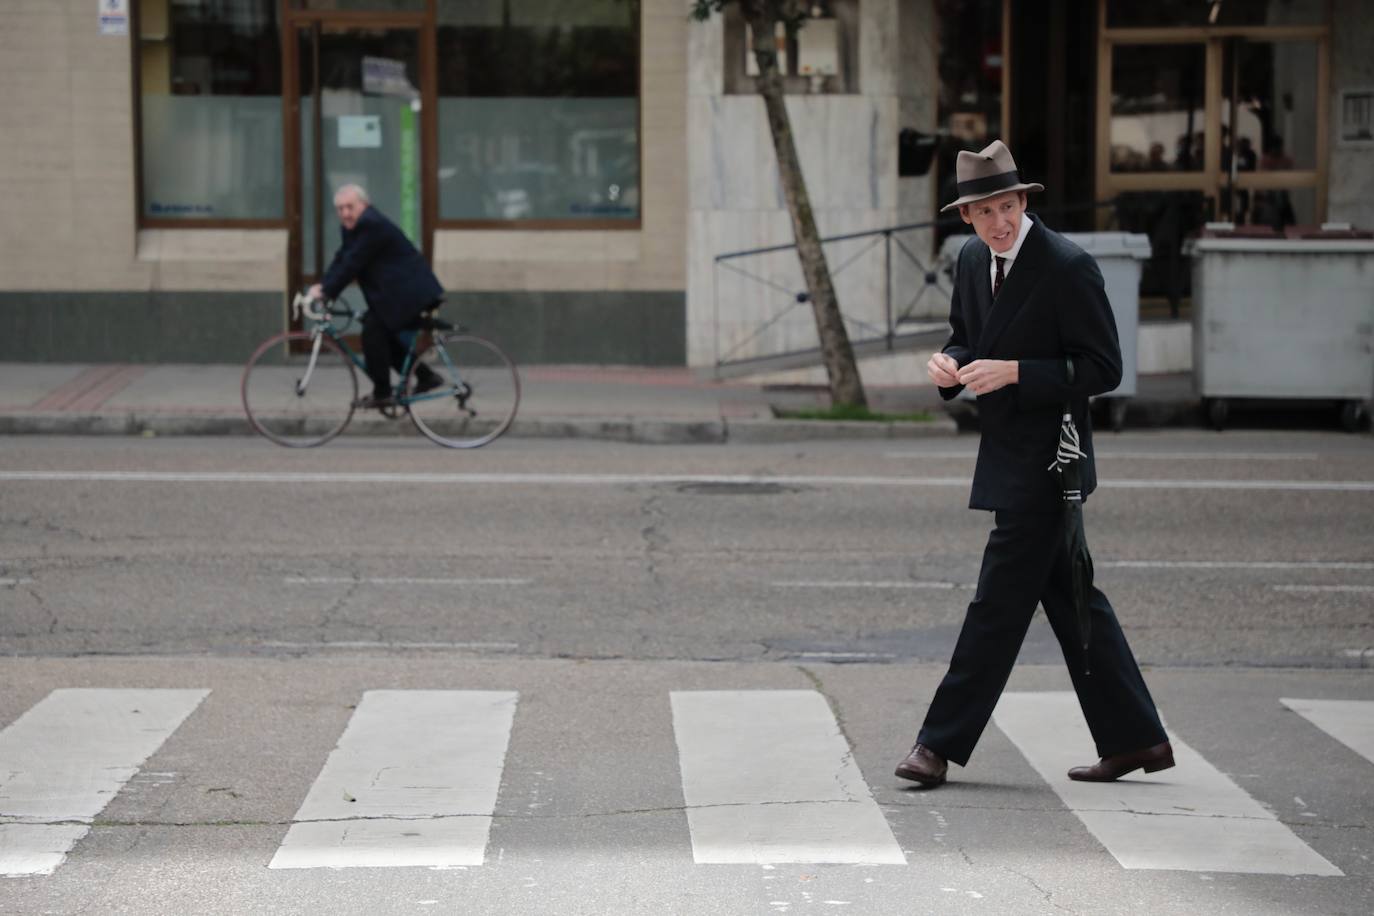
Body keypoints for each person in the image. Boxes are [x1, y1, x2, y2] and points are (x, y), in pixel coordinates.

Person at [894, 140, 1172, 789]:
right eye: (985, 210)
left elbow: (1105, 368)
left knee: (996, 605)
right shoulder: (970, 260)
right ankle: (1139, 739)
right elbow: (968, 336)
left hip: (1053, 462)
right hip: (1008, 453)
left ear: (1024, 201)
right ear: (967, 218)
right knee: (1074, 602)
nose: (1000, 221)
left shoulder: (1067, 266)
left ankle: (936, 745)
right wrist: (946, 367)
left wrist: (1019, 372)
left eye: (1009, 205)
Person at [308, 185, 444, 409]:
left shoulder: (372, 225)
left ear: (364, 205)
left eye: (350, 207)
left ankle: (382, 393)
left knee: (372, 332)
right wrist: (324, 286)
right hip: (398, 295)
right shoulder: (354, 228)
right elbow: (343, 258)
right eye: (340, 209)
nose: (344, 213)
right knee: (385, 339)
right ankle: (426, 377)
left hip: (411, 294)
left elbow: (353, 264)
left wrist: (327, 291)